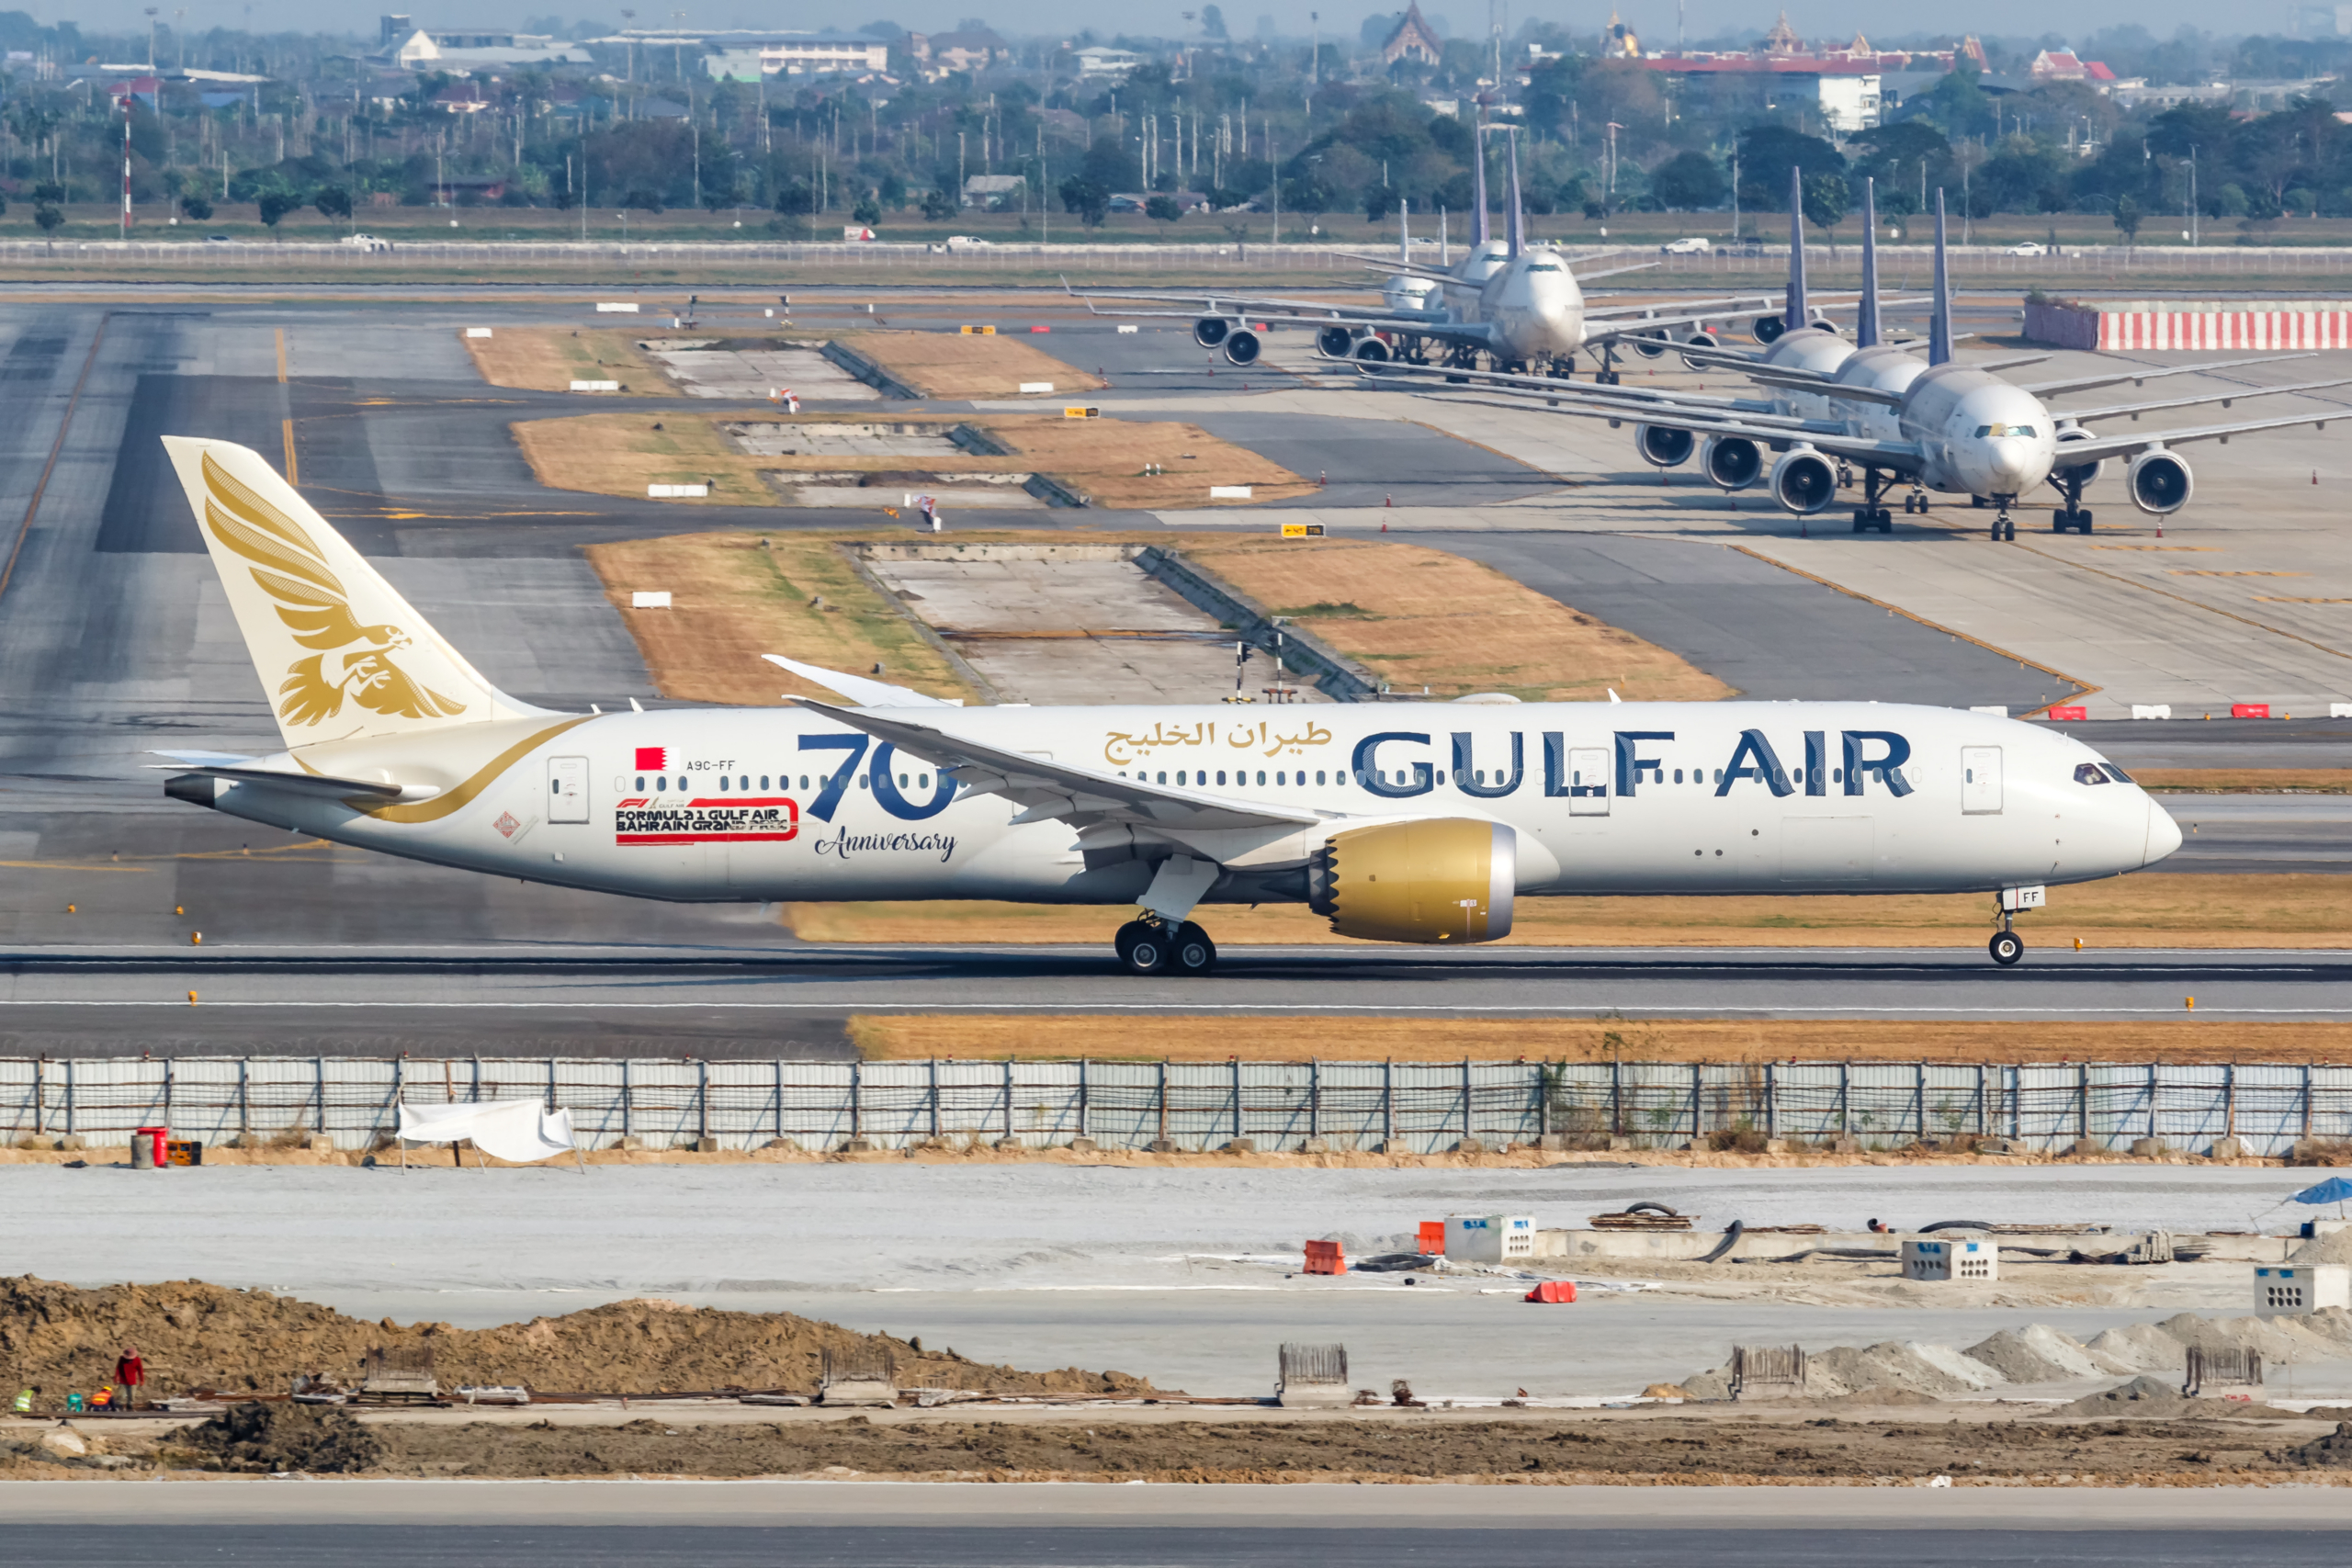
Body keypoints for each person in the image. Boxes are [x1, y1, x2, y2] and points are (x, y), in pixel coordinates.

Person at [114, 1344, 143, 1412]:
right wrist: (116, 1377)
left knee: (132, 1396)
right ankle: (119, 1407)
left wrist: (141, 1380)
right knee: (121, 1395)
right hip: (123, 1380)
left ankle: (130, 1407)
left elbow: (140, 1370)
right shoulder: (122, 1359)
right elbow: (118, 1368)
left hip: (132, 1381)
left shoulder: (137, 1360)